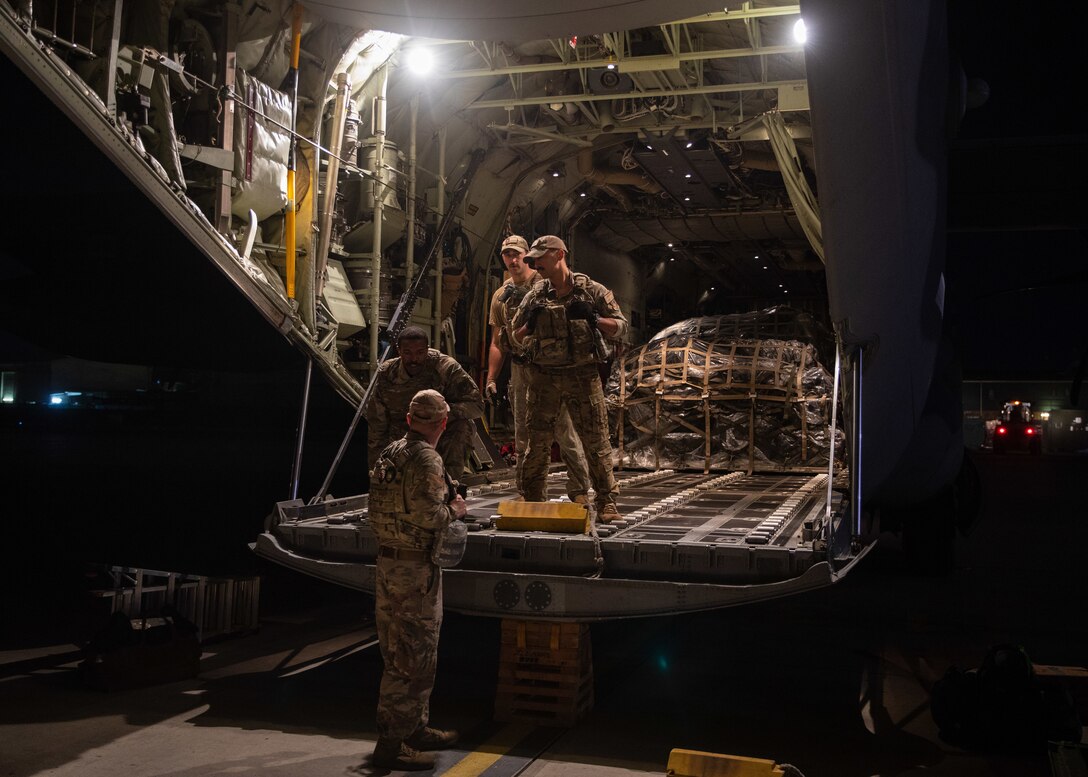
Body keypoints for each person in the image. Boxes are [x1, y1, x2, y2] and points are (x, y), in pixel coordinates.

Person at [367, 389, 466, 771]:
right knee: (410, 658)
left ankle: (414, 728)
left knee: (401, 651)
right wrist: (454, 510)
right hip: (414, 571)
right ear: (442, 423)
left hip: (390, 564)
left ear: (409, 420)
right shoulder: (427, 458)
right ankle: (391, 744)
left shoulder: (390, 453)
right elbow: (430, 515)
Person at [510, 235, 629, 521]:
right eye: (533, 259)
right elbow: (515, 337)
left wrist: (594, 319)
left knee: (596, 442)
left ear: (560, 254)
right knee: (536, 445)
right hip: (543, 377)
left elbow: (622, 328)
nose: (535, 263)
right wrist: (529, 325)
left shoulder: (593, 292)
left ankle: (606, 502)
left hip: (582, 375)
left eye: (540, 257)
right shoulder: (535, 296)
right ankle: (534, 500)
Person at [486, 234, 590, 502]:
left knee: (563, 430)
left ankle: (579, 489)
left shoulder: (545, 285)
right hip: (521, 369)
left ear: (527, 256)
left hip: (550, 368)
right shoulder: (500, 295)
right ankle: (528, 491)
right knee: (522, 434)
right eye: (507, 255)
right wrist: (491, 378)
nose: (513, 259)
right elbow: (497, 341)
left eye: (517, 254)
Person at [366, 326, 484, 480]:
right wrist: (377, 471)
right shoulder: (387, 374)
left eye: (420, 353)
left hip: (439, 433)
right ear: (399, 350)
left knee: (464, 426)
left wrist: (441, 411)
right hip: (402, 437)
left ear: (427, 350)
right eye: (407, 353)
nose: (414, 359)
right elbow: (377, 425)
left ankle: (447, 483)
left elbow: (477, 406)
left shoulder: (446, 368)